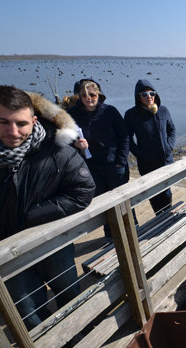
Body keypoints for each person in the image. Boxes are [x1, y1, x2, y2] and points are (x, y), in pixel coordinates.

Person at [0, 85, 95, 330]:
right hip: (6, 253)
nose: (12, 131)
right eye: (3, 122)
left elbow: (83, 191)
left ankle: (79, 335)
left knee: (70, 294)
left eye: (21, 123)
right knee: (29, 312)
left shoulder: (58, 151)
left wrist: (33, 215)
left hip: (52, 245)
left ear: (34, 120)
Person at [67, 79, 130, 236]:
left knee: (122, 201)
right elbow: (62, 139)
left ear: (99, 95)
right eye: (84, 95)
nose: (89, 98)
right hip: (91, 167)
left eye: (92, 94)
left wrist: (120, 161)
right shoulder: (71, 115)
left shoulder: (110, 112)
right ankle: (111, 235)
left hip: (114, 165)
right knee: (102, 203)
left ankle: (131, 231)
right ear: (79, 96)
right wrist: (75, 143)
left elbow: (125, 137)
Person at [125, 79, 176, 215]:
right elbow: (127, 138)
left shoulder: (163, 110)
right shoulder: (131, 115)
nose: (149, 97)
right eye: (144, 94)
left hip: (166, 161)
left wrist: (169, 146)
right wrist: (139, 154)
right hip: (147, 163)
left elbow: (172, 129)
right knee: (153, 194)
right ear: (138, 97)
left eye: (152, 93)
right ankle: (159, 217)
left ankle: (169, 215)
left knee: (166, 190)